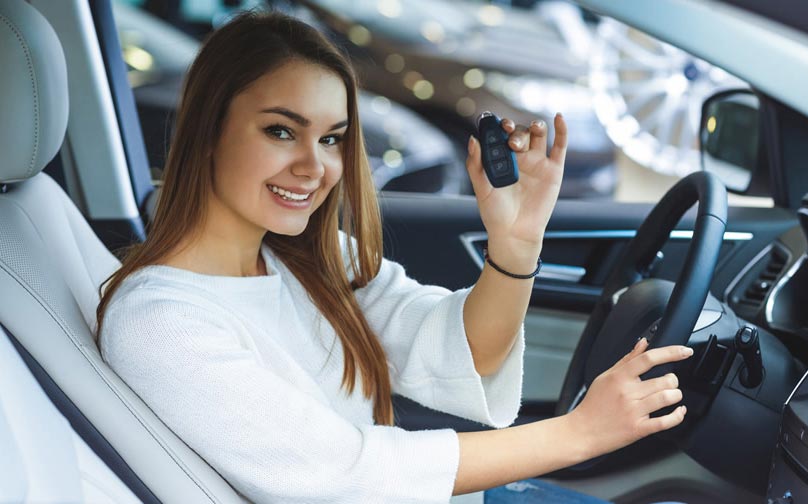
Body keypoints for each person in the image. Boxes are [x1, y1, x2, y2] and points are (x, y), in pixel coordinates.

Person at [96, 10, 692, 503]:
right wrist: (579, 434)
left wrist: (516, 244)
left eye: (331, 138)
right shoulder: (162, 322)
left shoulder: (307, 256)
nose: (314, 166)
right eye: (281, 131)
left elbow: (460, 347)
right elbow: (345, 472)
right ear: (208, 130)